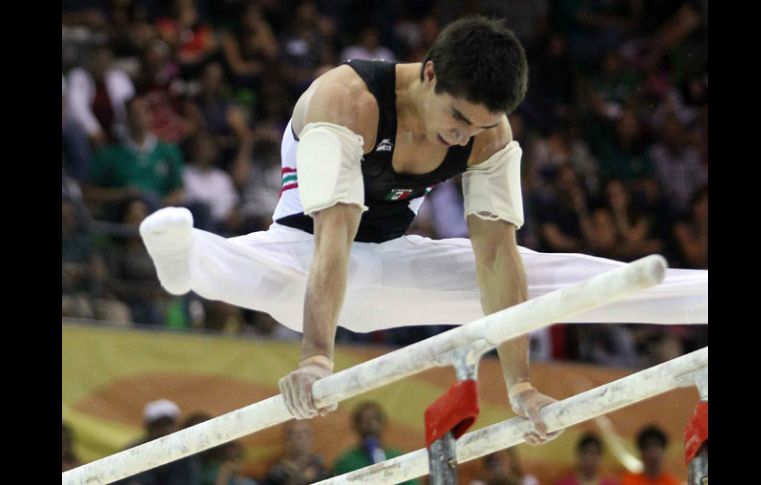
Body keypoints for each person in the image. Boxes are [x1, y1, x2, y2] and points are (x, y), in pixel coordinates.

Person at [139, 17, 707, 445]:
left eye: (479, 126)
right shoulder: (347, 100)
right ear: (429, 72)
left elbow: (493, 259)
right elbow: (333, 235)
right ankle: (184, 257)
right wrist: (316, 356)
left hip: (398, 262)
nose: (464, 138)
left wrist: (520, 387)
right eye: (457, 119)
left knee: (544, 273)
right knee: (250, 268)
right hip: (308, 258)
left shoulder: (489, 133)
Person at [332, 401, 417, 485]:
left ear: (384, 423)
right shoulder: (346, 462)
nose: (369, 423)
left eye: (374, 418)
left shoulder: (399, 458)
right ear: (355, 426)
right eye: (363, 420)